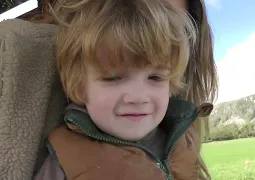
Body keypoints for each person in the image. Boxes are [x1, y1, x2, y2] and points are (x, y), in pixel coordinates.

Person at [33, 0, 215, 179]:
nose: (138, 97)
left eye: (155, 77)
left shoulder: (184, 142)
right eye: (113, 78)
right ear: (79, 86)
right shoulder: (67, 155)